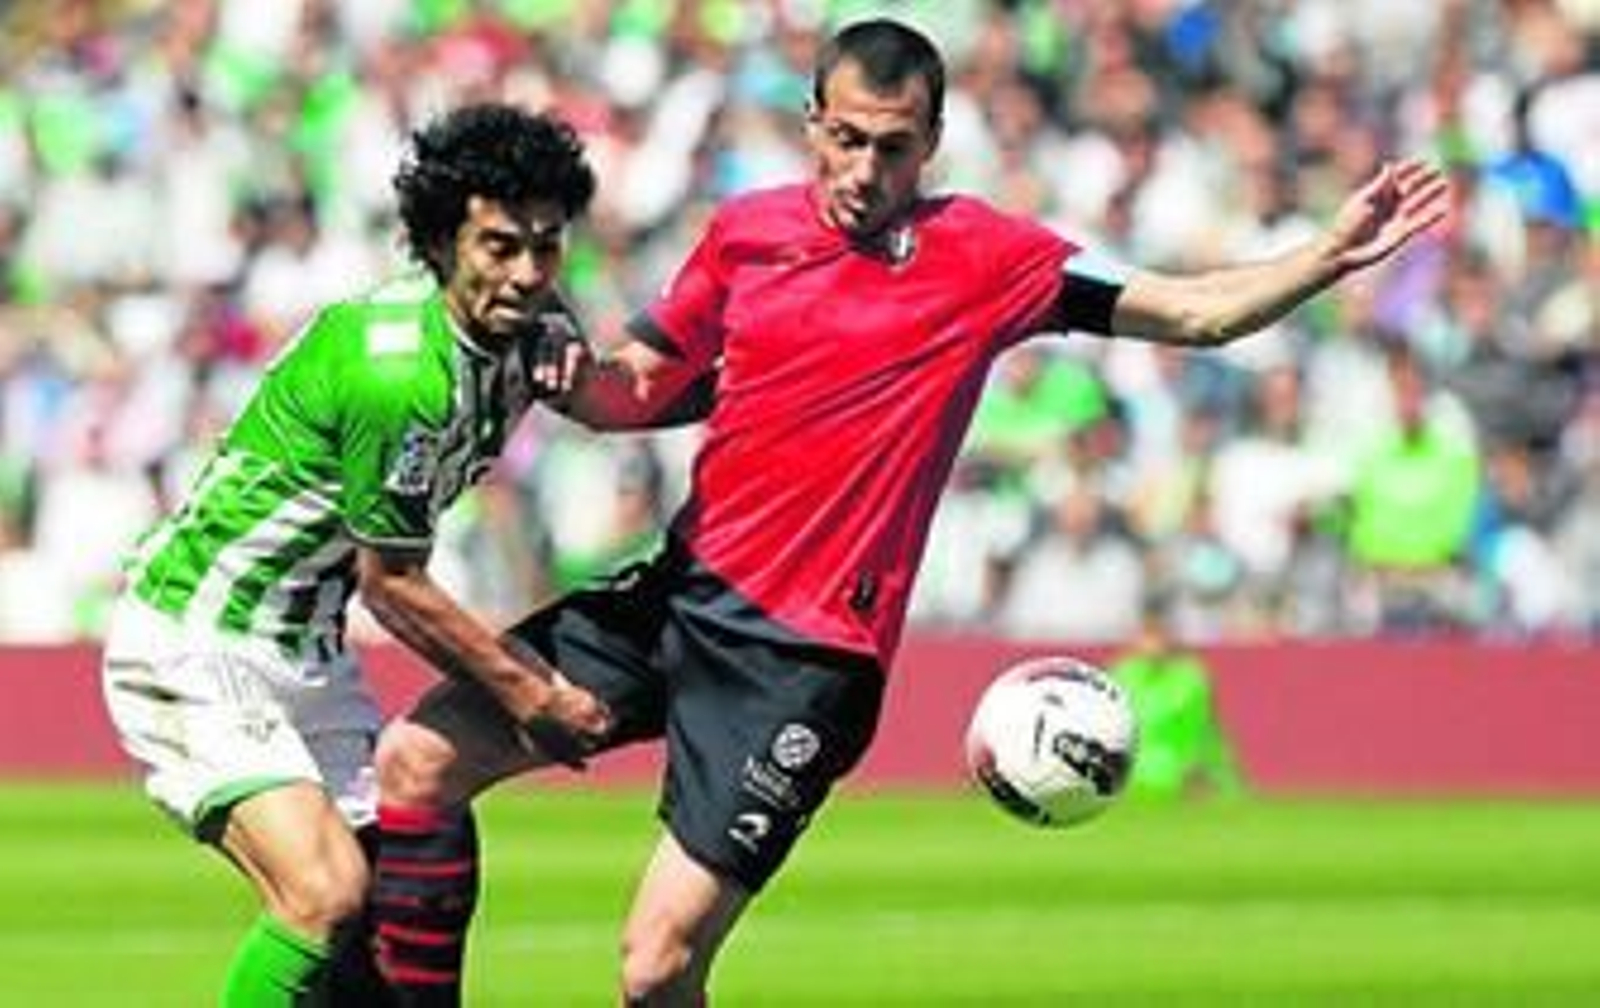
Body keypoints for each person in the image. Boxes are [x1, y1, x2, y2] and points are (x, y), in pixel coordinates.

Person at [371, 18, 1451, 1006]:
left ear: (930, 143)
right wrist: (555, 357)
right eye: (844, 139)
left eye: (892, 147)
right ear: (812, 125)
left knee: (655, 969)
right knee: (417, 761)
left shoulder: (986, 258)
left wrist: (1324, 257)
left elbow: (1193, 314)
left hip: (805, 660)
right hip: (677, 594)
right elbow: (631, 393)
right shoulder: (745, 234)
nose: (862, 170)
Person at [98, 102, 612, 1005]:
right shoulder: (401, 372)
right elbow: (395, 584)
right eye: (500, 247)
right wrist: (533, 696)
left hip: (307, 655)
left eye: (547, 247)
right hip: (199, 637)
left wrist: (562, 326)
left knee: (381, 932)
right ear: (442, 243)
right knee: (321, 895)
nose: (528, 275)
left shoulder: (502, 324)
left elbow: (545, 316)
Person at [1107, 598, 1244, 799]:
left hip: (1180, 776)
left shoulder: (1191, 677)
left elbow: (1201, 734)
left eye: (1159, 633)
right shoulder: (1121, 673)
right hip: (1130, 778)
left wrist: (1204, 769)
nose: (1153, 642)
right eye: (1148, 633)